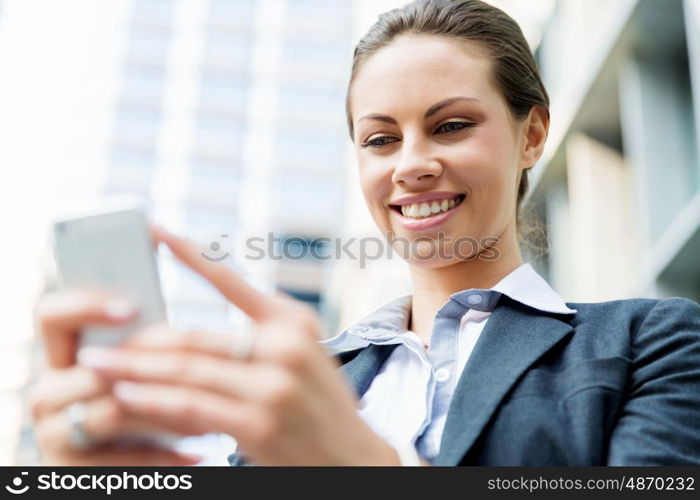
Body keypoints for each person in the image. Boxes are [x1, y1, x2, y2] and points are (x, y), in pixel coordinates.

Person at [30, 0, 700, 466]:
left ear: (531, 135)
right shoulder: (300, 384)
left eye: (451, 125)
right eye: (380, 139)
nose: (411, 164)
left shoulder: (652, 344)